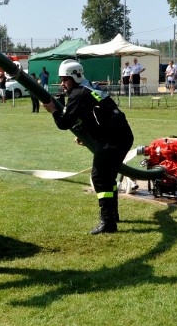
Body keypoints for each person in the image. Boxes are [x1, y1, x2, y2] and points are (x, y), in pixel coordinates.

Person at [42, 60, 134, 234]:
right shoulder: (89, 87)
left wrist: (53, 110)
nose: (62, 84)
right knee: (108, 176)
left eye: (65, 80)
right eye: (61, 79)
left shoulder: (78, 93)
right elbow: (94, 115)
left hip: (111, 139)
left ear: (75, 78)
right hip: (121, 135)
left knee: (99, 178)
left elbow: (64, 123)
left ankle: (108, 221)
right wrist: (88, 135)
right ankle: (112, 215)